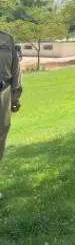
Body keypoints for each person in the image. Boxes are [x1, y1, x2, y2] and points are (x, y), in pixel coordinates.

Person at [0, 31, 22, 199]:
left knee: (1, 137)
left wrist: (16, 96)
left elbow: (16, 69)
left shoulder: (7, 38)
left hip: (4, 93)